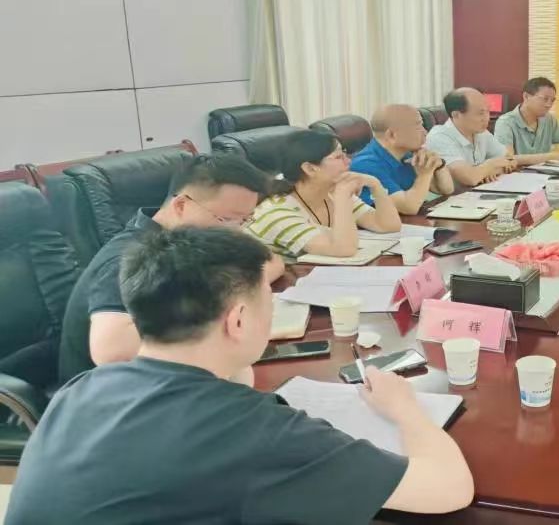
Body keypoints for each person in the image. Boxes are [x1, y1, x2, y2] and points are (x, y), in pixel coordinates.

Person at [8, 228, 474, 524]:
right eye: (270, 303)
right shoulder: (256, 433)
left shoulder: (81, 389)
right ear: (237, 320)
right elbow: (449, 490)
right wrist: (405, 409)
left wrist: (232, 357)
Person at [57, 154, 280, 385]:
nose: (237, 232)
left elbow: (270, 262)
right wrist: (216, 317)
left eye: (244, 221)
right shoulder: (131, 257)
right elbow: (111, 351)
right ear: (181, 205)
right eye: (228, 220)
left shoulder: (188, 245)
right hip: (113, 393)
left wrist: (241, 288)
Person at [246, 129, 401, 259]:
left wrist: (375, 184)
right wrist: (343, 199)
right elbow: (343, 249)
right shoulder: (278, 211)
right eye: (338, 157)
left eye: (345, 154)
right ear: (310, 169)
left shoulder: (330, 191)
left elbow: (388, 225)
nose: (348, 161)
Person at [349, 104, 455, 214]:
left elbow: (446, 189)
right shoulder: (366, 165)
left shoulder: (407, 154)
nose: (425, 132)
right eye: (418, 126)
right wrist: (425, 174)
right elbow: (409, 208)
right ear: (392, 135)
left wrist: (439, 165)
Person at [426, 88, 516, 186]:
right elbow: (470, 178)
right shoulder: (439, 137)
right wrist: (490, 166)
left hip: (480, 191)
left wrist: (485, 172)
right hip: (455, 195)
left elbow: (510, 160)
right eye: (480, 113)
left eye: (488, 111)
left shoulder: (481, 132)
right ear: (456, 115)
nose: (487, 118)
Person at [493, 77, 559, 165]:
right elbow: (507, 159)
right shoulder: (505, 122)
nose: (549, 105)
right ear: (526, 96)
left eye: (552, 100)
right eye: (545, 99)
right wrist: (555, 156)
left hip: (544, 173)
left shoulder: (549, 120)